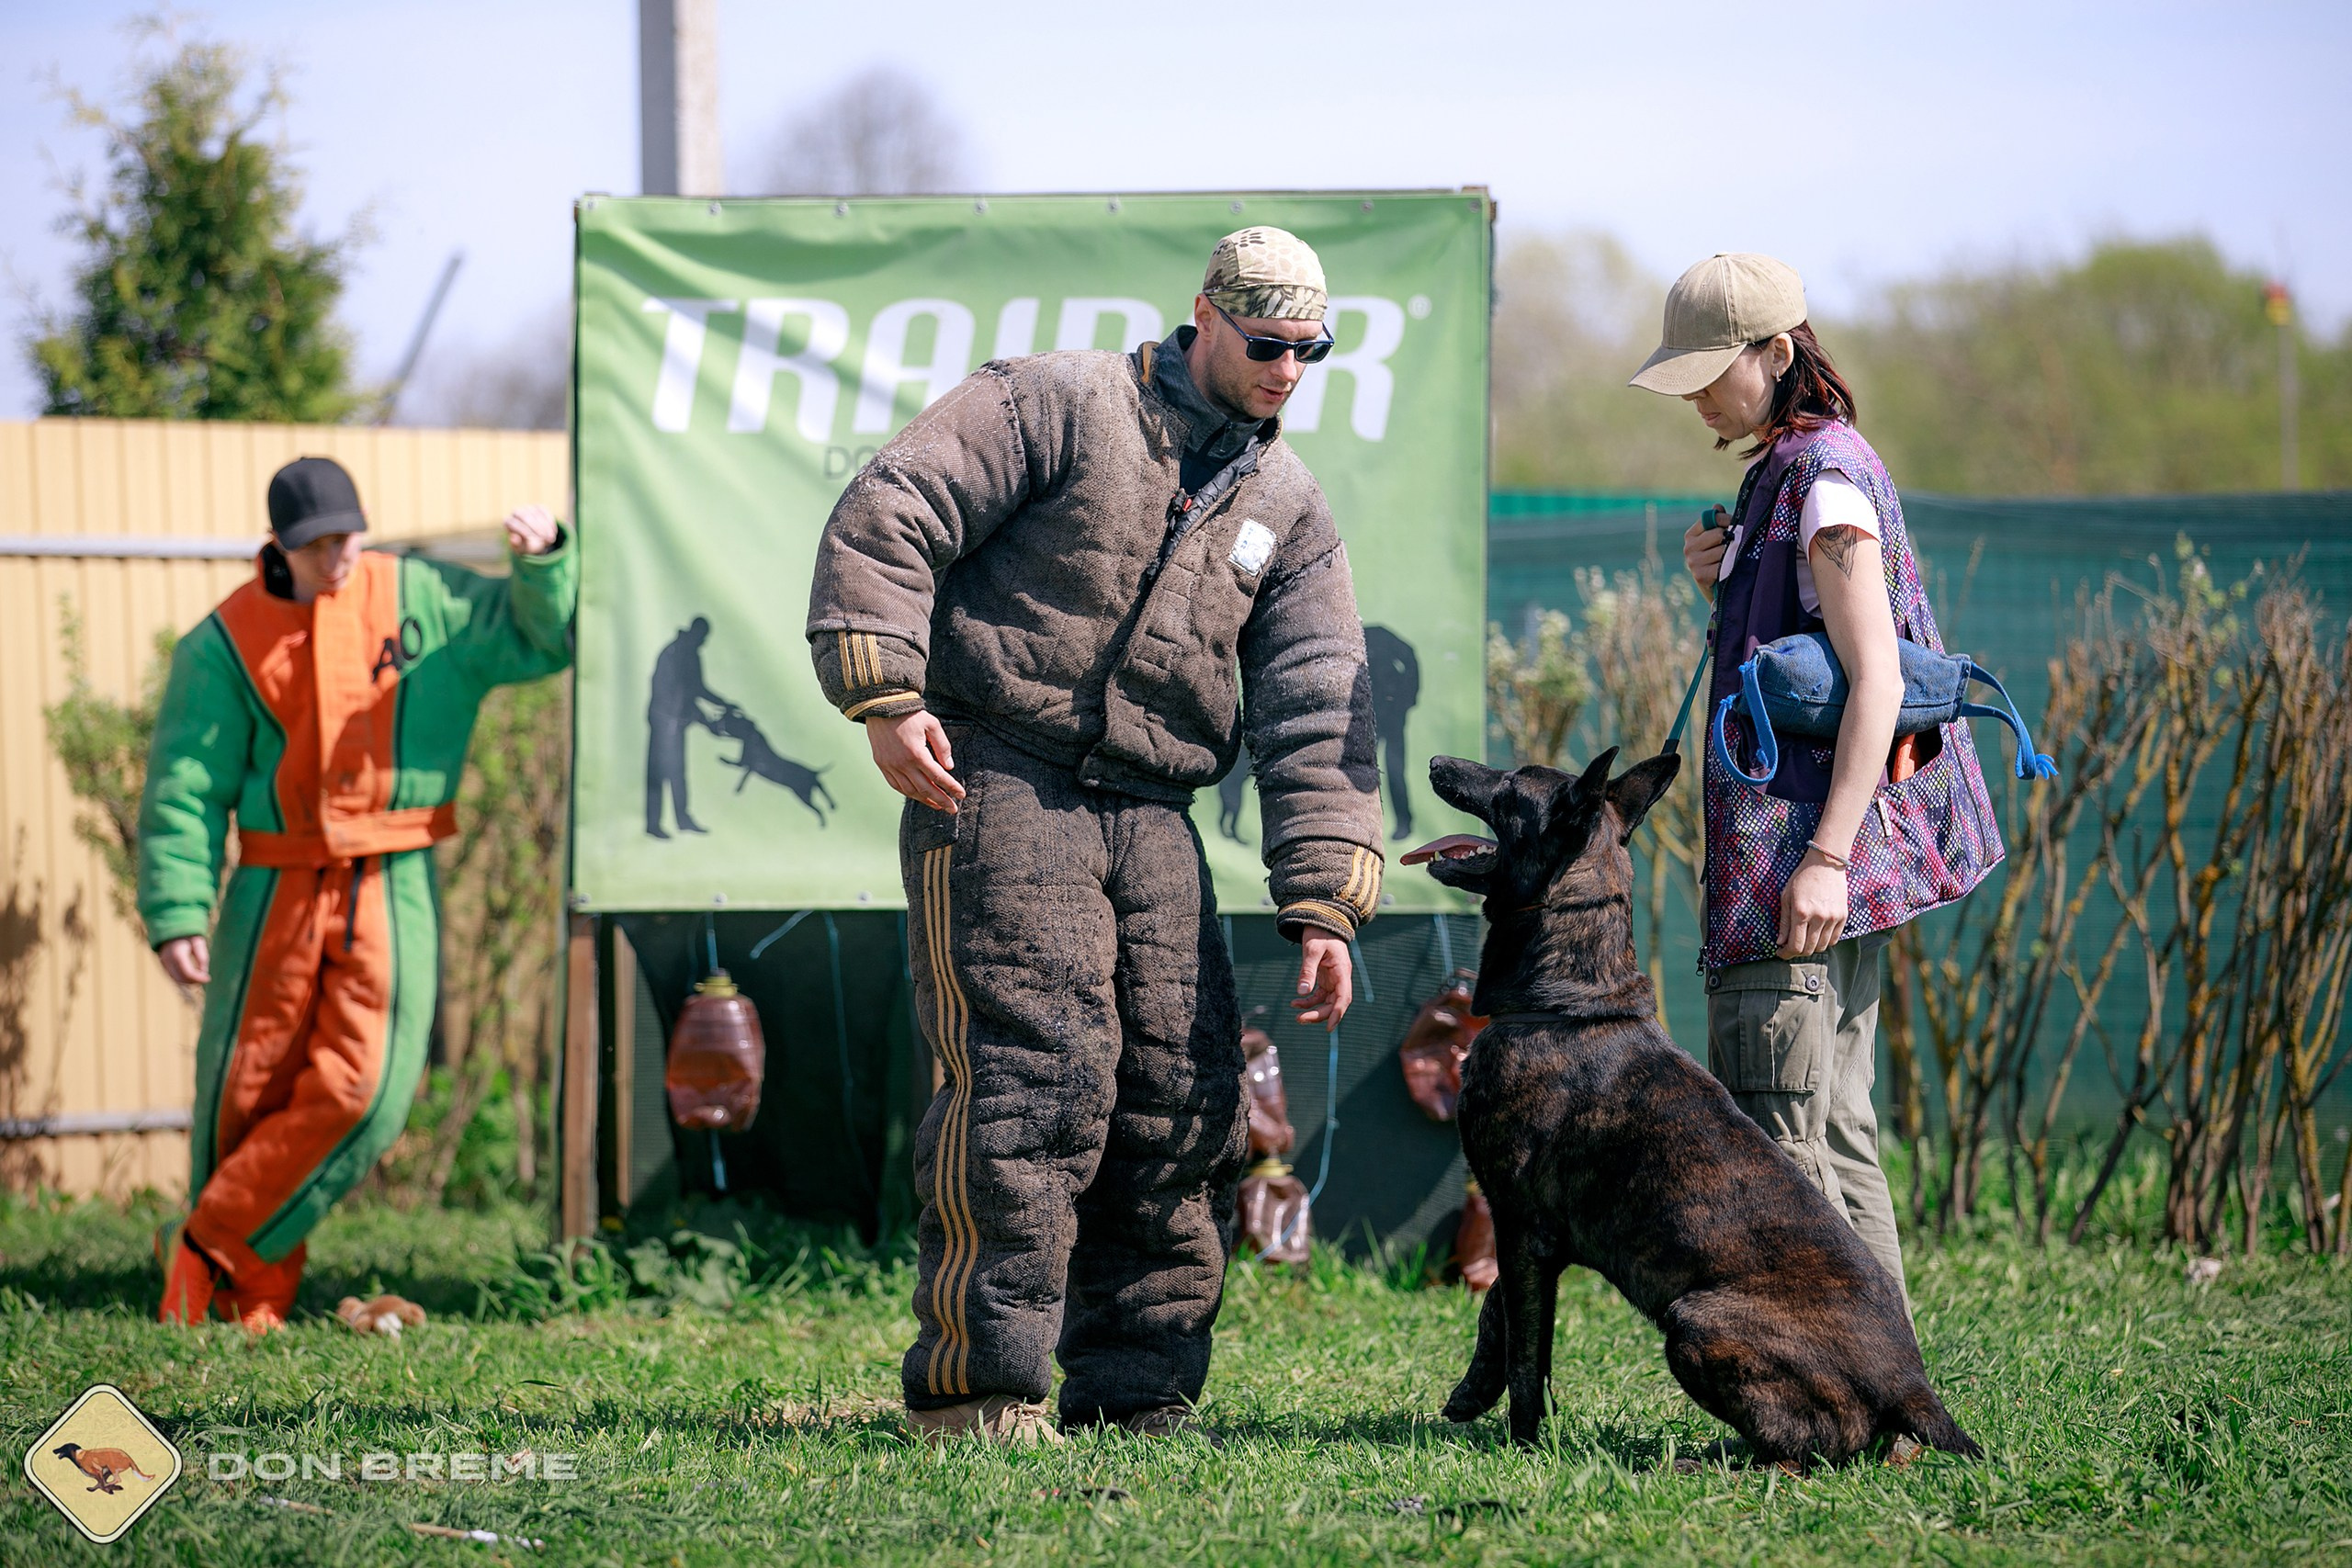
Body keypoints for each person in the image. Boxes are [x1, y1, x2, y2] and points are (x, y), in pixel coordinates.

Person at [807, 227, 1385, 1445]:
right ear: (1205, 316)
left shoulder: (1287, 504)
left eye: (1311, 350)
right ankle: (979, 1391)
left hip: (1154, 813)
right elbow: (894, 506)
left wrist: (1327, 897)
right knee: (1032, 1080)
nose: (1288, 369)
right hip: (999, 779)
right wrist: (887, 694)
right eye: (1267, 344)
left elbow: (1319, 697)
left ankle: (1137, 1393)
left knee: (1182, 1100)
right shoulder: (1056, 401)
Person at [1634, 253, 2003, 1309]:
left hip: (1798, 871)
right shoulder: (1793, 470)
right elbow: (1807, 667)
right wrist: (1725, 581)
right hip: (1805, 867)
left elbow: (1875, 677)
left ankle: (1834, 1384)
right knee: (1831, 1133)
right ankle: (1886, 1386)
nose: (1696, 398)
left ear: (1776, 352)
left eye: (1711, 373)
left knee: (1783, 1149)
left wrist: (1827, 858)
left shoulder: (1824, 482)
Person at [140, 456, 578, 1331]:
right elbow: (186, 786)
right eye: (317, 544)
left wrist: (544, 562)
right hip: (272, 882)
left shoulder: (425, 596)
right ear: (279, 545)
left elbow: (541, 638)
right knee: (246, 1089)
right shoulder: (222, 642)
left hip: (392, 870)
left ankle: (205, 1242)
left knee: (367, 1090)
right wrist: (178, 908)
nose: (338, 555)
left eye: (349, 536)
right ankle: (243, 1297)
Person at [646, 615, 731, 837]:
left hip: (674, 721)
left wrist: (723, 704)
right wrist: (702, 718)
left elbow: (697, 688)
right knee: (659, 773)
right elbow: (682, 693)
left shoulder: (689, 652)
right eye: (702, 637)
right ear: (695, 632)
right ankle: (654, 824)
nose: (704, 642)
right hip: (664, 720)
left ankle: (681, 819)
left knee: (676, 772)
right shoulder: (676, 652)